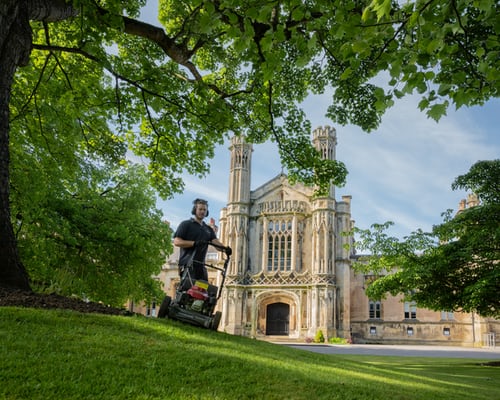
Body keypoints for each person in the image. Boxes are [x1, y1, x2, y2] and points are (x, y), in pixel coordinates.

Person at [173, 198, 231, 281]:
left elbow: (216, 243)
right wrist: (194, 243)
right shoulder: (186, 224)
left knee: (204, 292)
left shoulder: (208, 229)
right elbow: (177, 241)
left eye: (204, 210)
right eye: (200, 209)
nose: (202, 211)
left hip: (201, 266)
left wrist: (225, 249)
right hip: (187, 264)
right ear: (195, 210)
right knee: (189, 291)